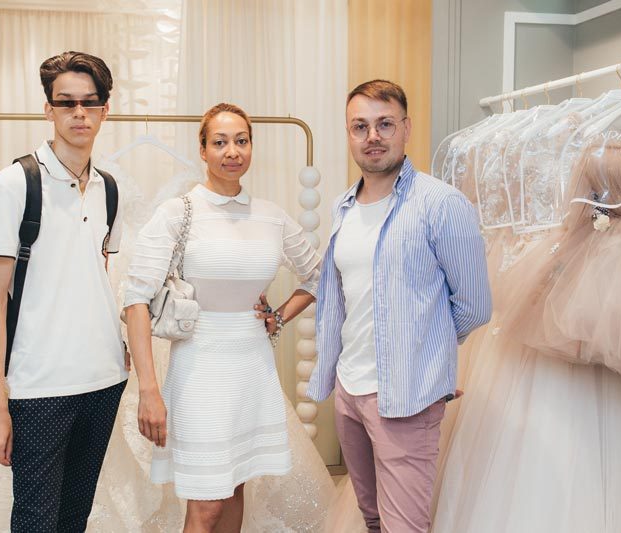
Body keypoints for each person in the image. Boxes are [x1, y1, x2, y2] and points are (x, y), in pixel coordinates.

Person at [123, 102, 322, 533]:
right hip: (198, 369)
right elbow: (135, 299)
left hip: (251, 366)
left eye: (241, 141)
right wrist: (149, 390)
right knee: (207, 504)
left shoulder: (271, 216)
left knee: (234, 488)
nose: (232, 151)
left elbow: (318, 276)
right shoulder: (178, 212)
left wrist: (279, 317)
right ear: (202, 150)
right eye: (220, 142)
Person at [308, 79, 492, 533]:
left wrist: (427, 352)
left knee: (403, 526)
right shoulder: (342, 207)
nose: (372, 136)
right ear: (349, 134)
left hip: (406, 396)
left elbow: (474, 306)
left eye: (385, 124)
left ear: (406, 128)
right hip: (349, 389)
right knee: (371, 518)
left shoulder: (441, 204)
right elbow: (343, 297)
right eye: (360, 126)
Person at [0, 51, 128, 532]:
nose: (79, 113)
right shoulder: (15, 183)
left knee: (73, 518)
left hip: (104, 378)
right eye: (66, 103)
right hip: (38, 386)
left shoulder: (108, 188)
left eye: (89, 102)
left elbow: (98, 275)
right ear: (48, 109)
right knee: (35, 521)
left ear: (105, 110)